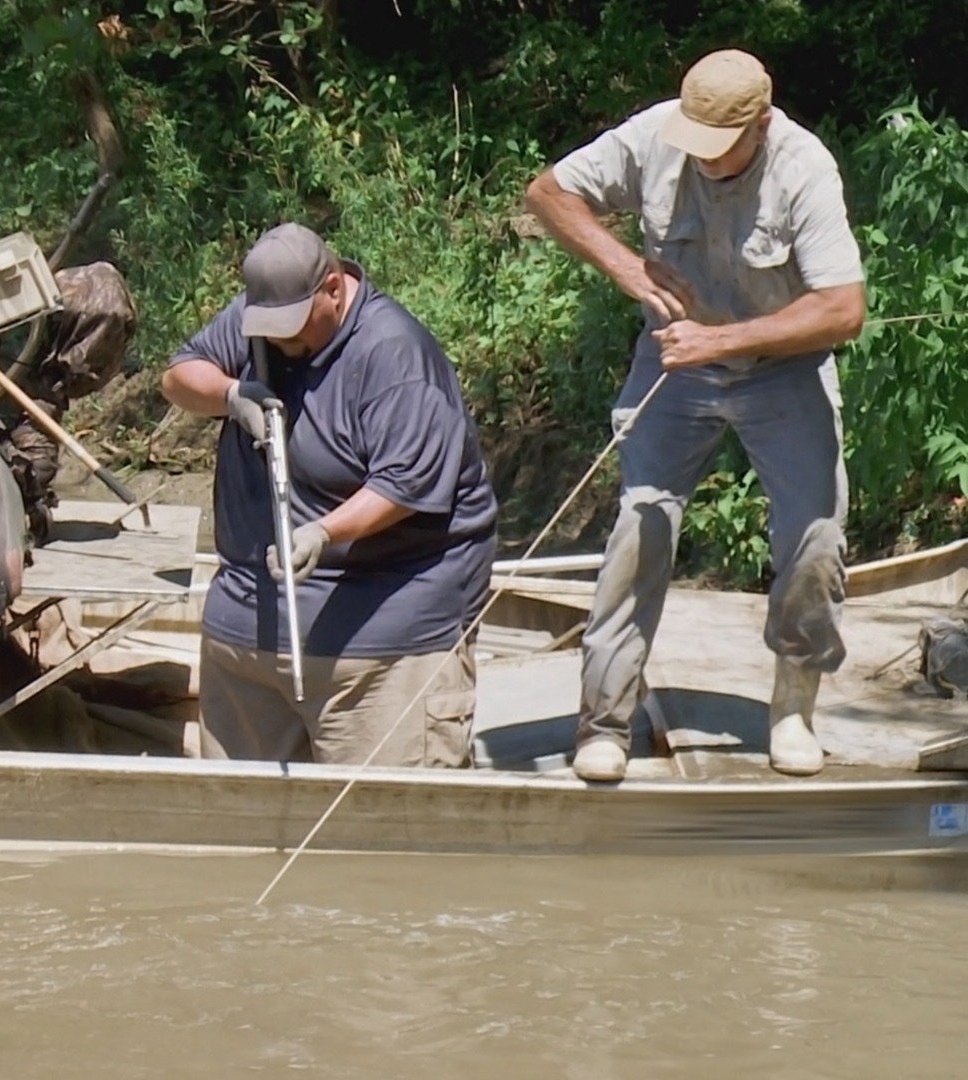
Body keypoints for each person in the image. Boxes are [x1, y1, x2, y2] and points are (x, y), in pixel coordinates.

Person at [523, 48, 867, 781]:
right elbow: (549, 192)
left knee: (816, 535)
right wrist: (626, 266)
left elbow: (843, 310)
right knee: (641, 521)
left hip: (783, 370)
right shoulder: (655, 135)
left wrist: (726, 337)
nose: (705, 160)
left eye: (723, 148)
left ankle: (794, 708)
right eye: (697, 142)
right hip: (674, 365)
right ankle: (604, 722)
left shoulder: (804, 167)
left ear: (761, 123)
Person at [161, 222, 498, 767]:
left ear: (335, 289)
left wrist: (323, 532)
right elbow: (179, 376)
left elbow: (405, 485)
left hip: (379, 646)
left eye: (294, 326)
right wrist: (231, 395)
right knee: (243, 833)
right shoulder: (261, 318)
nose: (279, 339)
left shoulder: (395, 356)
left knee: (381, 835)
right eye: (267, 327)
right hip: (246, 637)